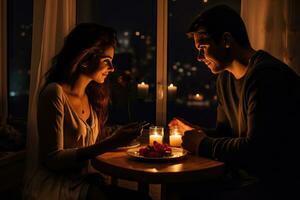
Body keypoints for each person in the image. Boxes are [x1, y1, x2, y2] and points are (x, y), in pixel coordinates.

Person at [169, 4, 300, 200]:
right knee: (179, 187)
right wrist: (196, 132)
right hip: (242, 177)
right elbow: (226, 134)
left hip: (275, 183)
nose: (199, 57)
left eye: (203, 47)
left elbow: (257, 150)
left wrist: (202, 144)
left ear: (226, 40)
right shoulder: (225, 78)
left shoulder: (266, 76)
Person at [23, 23, 151, 200]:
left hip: (85, 181)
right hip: (57, 187)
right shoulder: (54, 93)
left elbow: (84, 141)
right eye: (107, 61)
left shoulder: (92, 95)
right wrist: (110, 143)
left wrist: (118, 135)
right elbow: (52, 159)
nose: (112, 68)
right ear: (84, 59)